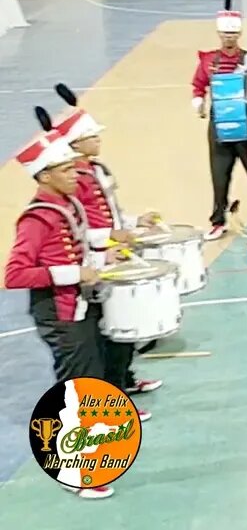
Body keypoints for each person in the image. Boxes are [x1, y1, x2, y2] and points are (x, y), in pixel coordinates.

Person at [5, 125, 133, 500]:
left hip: (78, 304)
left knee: (92, 380)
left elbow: (78, 242)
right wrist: (75, 272)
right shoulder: (37, 218)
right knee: (77, 389)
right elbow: (15, 274)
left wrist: (105, 249)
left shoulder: (68, 204)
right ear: (44, 176)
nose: (76, 175)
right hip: (58, 312)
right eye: (66, 170)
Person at [52, 84, 164, 399]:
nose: (99, 139)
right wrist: (109, 241)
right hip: (99, 260)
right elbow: (82, 226)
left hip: (113, 252)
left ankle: (124, 378)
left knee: (123, 325)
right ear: (77, 143)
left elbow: (111, 212)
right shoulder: (75, 179)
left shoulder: (96, 170)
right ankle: (114, 392)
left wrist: (132, 223)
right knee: (110, 330)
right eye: (93, 136)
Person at [190, 0, 247, 241]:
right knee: (219, 176)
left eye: (232, 33)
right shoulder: (207, 61)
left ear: (238, 34)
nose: (228, 37)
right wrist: (198, 102)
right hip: (219, 128)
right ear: (219, 34)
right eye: (225, 33)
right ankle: (218, 221)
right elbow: (198, 85)